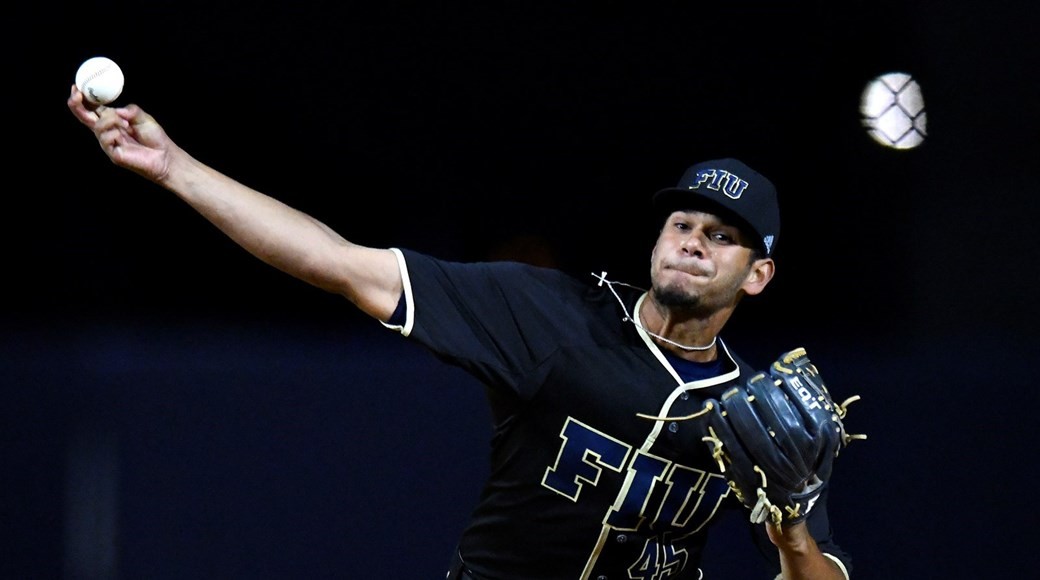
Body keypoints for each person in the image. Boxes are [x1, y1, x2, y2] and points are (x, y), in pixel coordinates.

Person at [67, 84, 853, 579]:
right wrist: (176, 169)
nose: (689, 240)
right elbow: (339, 262)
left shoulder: (759, 418)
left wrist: (789, 533)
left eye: (721, 235)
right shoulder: (549, 315)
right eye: (681, 222)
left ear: (758, 275)